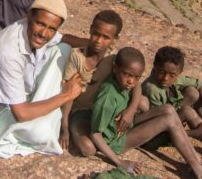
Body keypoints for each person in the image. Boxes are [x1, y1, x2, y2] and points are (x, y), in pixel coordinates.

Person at [90, 47, 202, 179]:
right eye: (128, 75)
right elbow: (95, 134)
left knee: (168, 109)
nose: (131, 81)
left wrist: (129, 111)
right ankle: (199, 170)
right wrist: (119, 162)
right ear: (115, 68)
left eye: (136, 77)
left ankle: (197, 163)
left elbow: (137, 86)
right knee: (168, 120)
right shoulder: (107, 98)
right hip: (117, 141)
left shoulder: (123, 80)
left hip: (126, 125)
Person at [0, 0, 83, 158]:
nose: (44, 33)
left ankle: (47, 114)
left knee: (64, 49)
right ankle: (33, 125)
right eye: (40, 24)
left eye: (52, 28)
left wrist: (92, 43)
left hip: (25, 94)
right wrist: (67, 95)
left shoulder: (37, 31)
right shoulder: (9, 50)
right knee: (41, 134)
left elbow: (64, 38)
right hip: (3, 109)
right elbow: (21, 113)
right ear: (29, 16)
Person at [59, 10, 149, 156]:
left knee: (142, 103)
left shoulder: (113, 58)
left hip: (102, 108)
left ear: (115, 38)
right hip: (79, 111)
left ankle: (124, 130)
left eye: (106, 37)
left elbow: (137, 83)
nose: (98, 41)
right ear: (90, 29)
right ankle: (96, 137)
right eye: (96, 33)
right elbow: (68, 95)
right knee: (88, 150)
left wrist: (130, 111)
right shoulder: (78, 57)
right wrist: (64, 127)